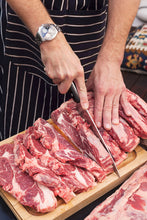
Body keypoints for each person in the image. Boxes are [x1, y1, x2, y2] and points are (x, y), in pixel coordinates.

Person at [0, 0, 140, 141]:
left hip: (89, 28)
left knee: (87, 135)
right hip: (27, 26)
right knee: (20, 142)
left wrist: (112, 57)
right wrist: (50, 38)